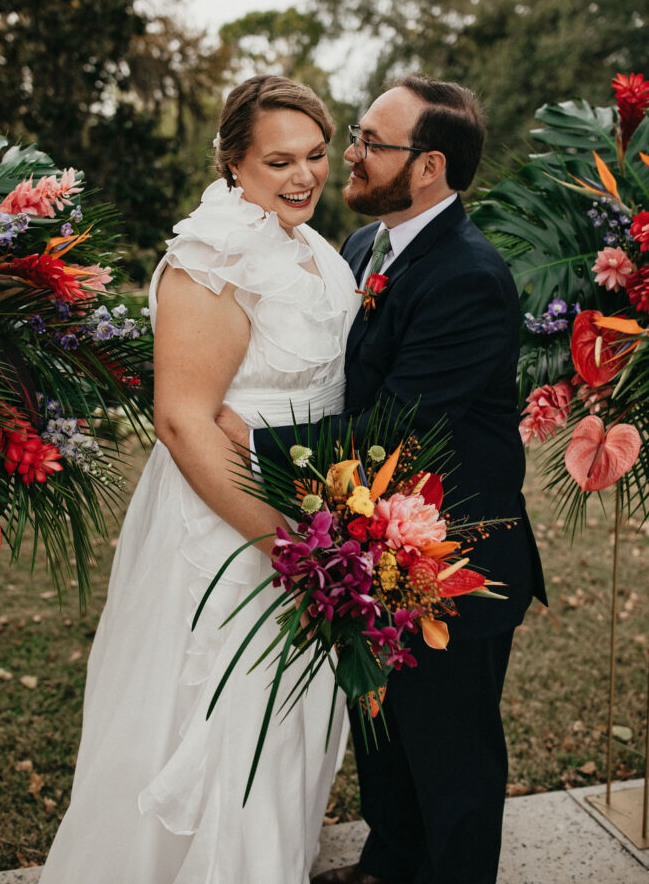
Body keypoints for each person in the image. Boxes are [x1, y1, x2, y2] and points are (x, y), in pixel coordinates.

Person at [217, 76, 548, 884]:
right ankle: (388, 863)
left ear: (428, 166)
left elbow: (394, 428)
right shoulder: (366, 248)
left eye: (369, 142)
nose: (350, 157)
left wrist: (253, 442)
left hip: (455, 558)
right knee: (386, 731)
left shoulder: (467, 275)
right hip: (377, 544)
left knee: (453, 756)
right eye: (356, 139)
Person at [38, 75, 360, 884]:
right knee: (222, 724)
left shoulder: (310, 246)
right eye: (278, 160)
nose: (303, 176)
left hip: (314, 512)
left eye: (316, 155)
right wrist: (290, 548)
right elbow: (184, 421)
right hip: (230, 529)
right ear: (231, 163)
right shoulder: (208, 260)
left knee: (287, 729)